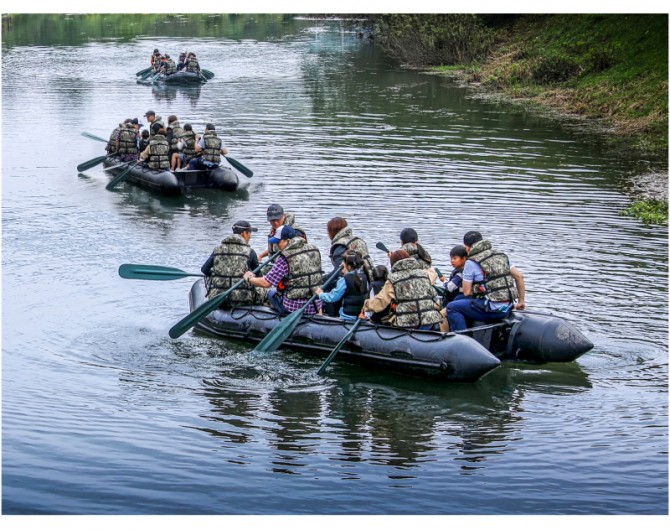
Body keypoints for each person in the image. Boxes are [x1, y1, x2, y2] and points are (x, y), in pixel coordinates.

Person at [446, 231, 526, 332]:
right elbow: (519, 277)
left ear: (467, 247)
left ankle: (461, 339)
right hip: (507, 307)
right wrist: (521, 301)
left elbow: (467, 292)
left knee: (452, 307)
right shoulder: (500, 256)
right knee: (458, 298)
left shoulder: (471, 262)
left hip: (491, 309)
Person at [243, 225, 323, 316]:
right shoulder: (314, 249)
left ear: (287, 241)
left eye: (278, 242)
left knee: (271, 292)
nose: (276, 245)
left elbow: (266, 283)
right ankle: (320, 314)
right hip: (315, 305)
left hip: (294, 308)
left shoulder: (285, 258)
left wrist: (249, 278)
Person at [361, 250, 442, 330]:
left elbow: (380, 302)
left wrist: (365, 306)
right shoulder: (424, 274)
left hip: (407, 323)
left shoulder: (393, 279)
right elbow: (434, 273)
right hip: (429, 320)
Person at [201, 220, 267, 307]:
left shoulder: (217, 249)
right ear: (244, 234)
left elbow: (204, 269)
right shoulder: (250, 252)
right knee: (265, 290)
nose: (250, 237)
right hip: (242, 299)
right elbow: (259, 277)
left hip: (218, 298)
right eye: (249, 233)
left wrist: (216, 275)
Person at [315, 252, 369, 322]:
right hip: (360, 315)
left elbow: (333, 297)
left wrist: (321, 294)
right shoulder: (364, 276)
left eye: (343, 264)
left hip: (347, 317)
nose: (341, 265)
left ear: (349, 266)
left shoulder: (344, 280)